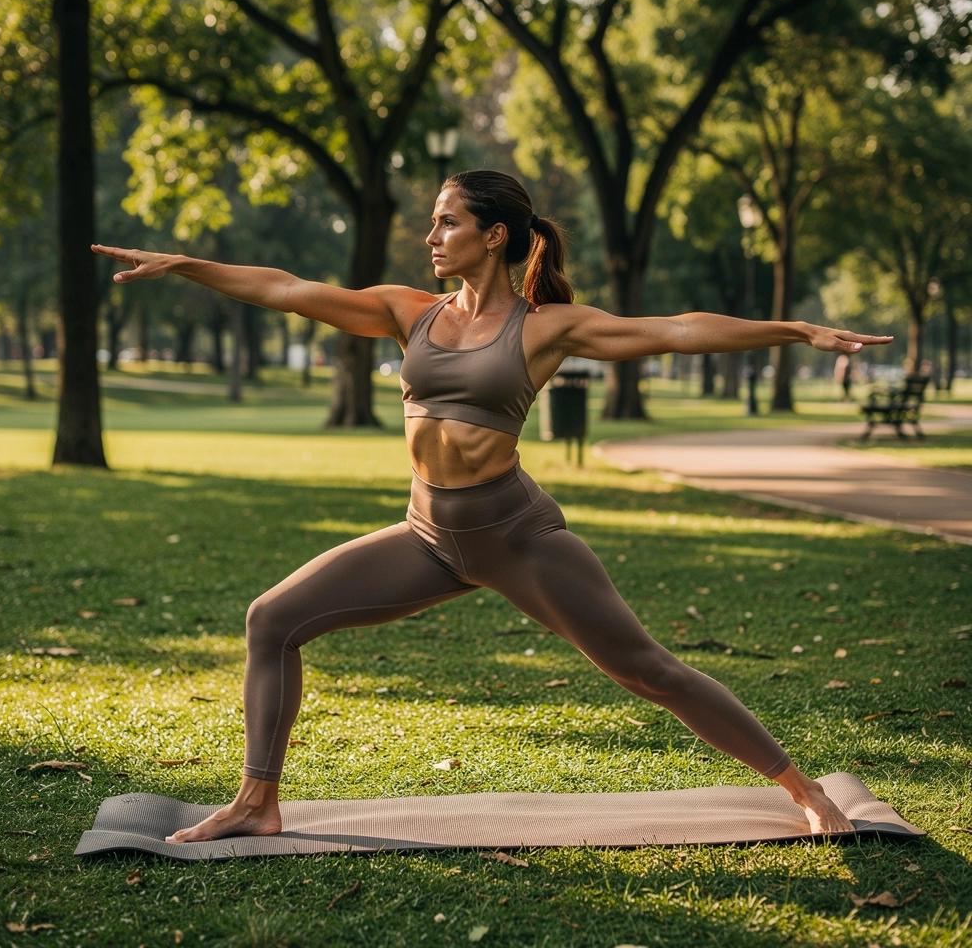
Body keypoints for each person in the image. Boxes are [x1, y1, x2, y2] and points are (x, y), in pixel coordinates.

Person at [91, 170, 892, 844]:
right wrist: (187, 264)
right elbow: (290, 289)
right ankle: (257, 801)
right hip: (427, 533)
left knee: (648, 670)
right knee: (272, 618)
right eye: (434, 224)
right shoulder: (411, 313)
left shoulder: (546, 328)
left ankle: (804, 791)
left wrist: (793, 330)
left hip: (517, 538)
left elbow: (678, 331)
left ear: (495, 235)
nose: (432, 237)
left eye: (448, 223)